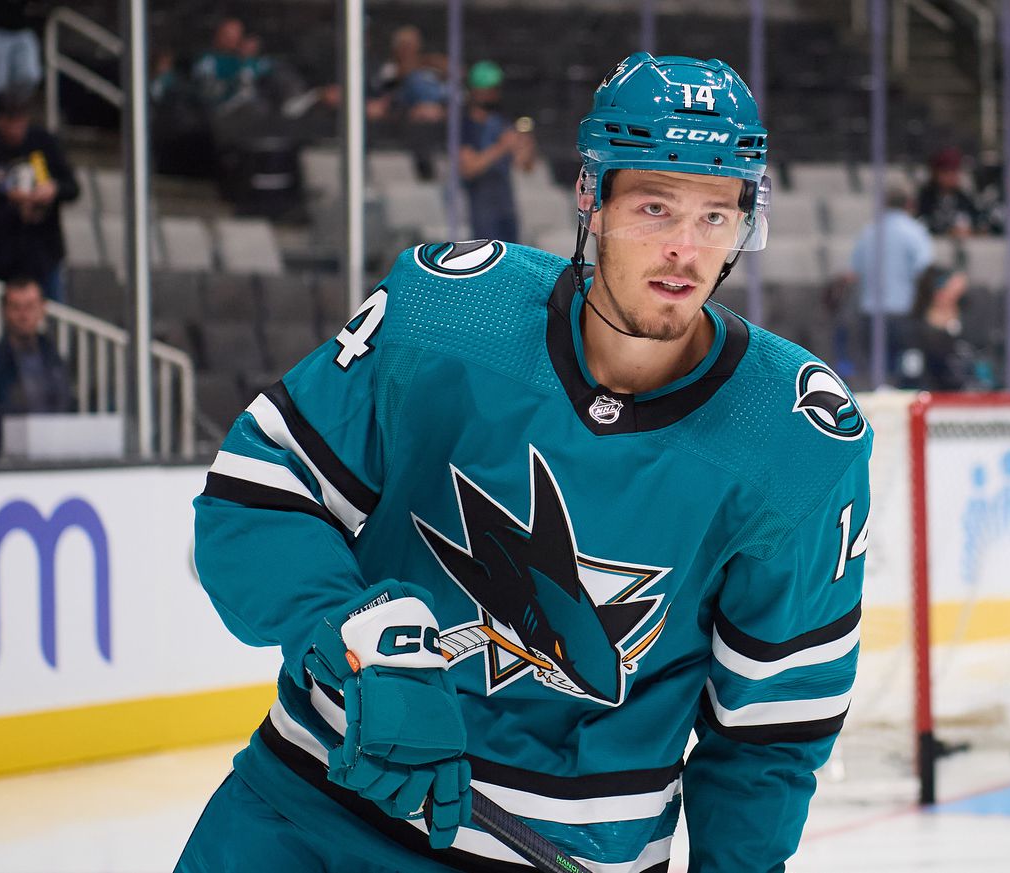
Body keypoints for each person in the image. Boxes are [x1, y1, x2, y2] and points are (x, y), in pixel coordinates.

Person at [176, 52, 871, 873]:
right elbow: (253, 502)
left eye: (716, 216)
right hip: (313, 812)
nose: (686, 249)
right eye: (655, 206)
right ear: (592, 198)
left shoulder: (796, 439)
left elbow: (771, 733)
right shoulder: (445, 315)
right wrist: (352, 628)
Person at [0, 88, 81, 302]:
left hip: (43, 251)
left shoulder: (43, 143)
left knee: (52, 312)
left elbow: (72, 188)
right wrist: (8, 197)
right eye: (10, 120)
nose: (16, 128)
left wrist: (52, 190)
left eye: (20, 119)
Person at [0, 277, 73, 459]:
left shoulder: (54, 358)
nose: (23, 315)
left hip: (52, 455)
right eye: (16, 307)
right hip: (3, 462)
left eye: (29, 306)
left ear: (42, 309)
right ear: (5, 311)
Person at [849, 183, 935, 377]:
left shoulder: (868, 232)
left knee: (877, 372)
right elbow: (926, 271)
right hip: (903, 314)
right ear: (909, 204)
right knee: (908, 371)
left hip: (870, 313)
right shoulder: (915, 232)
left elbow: (855, 271)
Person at [458, 60, 535, 244]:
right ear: (476, 91)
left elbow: (526, 166)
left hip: (505, 206)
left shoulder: (502, 122)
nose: (493, 95)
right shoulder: (465, 125)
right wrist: (501, 147)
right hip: (480, 209)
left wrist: (527, 147)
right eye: (488, 90)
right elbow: (468, 169)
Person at [897, 265, 988, 391]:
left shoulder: (969, 319)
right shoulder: (916, 328)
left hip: (968, 392)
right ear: (935, 292)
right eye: (945, 288)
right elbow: (912, 372)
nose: (950, 294)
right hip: (932, 392)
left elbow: (980, 355)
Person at [367, 25, 449, 124]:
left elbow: (456, 72)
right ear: (396, 48)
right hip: (405, 112)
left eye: (412, 44)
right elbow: (386, 88)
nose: (408, 49)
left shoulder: (429, 62)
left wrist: (435, 62)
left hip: (439, 109)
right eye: (404, 45)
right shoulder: (390, 68)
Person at [916, 146, 981, 237]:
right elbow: (920, 225)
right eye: (946, 172)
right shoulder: (926, 199)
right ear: (936, 173)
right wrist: (948, 231)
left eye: (954, 171)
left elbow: (978, 222)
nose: (951, 176)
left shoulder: (964, 199)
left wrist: (972, 230)